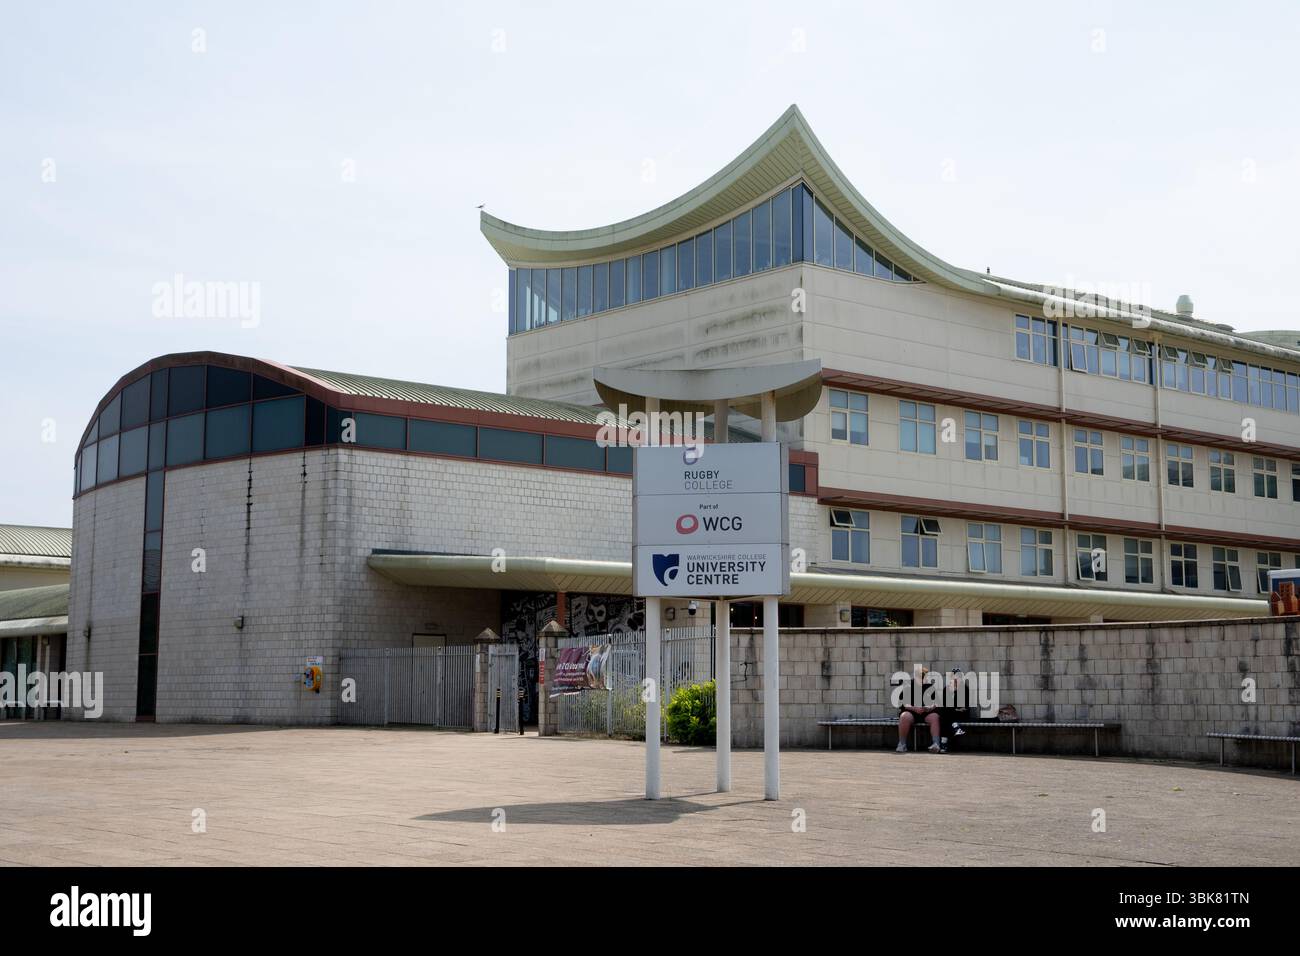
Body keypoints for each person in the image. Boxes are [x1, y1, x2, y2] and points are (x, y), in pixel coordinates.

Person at [896, 666, 942, 753]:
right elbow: (903, 703)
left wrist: (930, 707)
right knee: (904, 716)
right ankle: (902, 744)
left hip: (926, 712)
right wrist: (914, 708)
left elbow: (937, 702)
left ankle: (936, 744)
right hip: (912, 712)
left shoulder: (929, 687)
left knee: (935, 717)